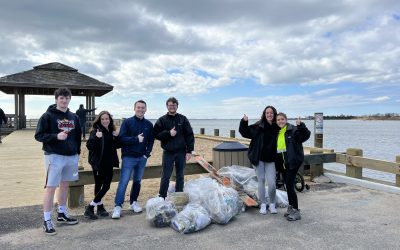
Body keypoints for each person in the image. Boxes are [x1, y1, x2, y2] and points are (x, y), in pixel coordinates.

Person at [34, 88, 81, 235]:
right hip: (54, 155)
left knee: (65, 185)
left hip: (71, 156)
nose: (64, 100)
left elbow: (78, 135)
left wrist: (77, 152)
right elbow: (39, 135)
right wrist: (56, 136)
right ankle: (47, 220)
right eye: (61, 98)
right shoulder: (47, 116)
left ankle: (62, 213)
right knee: (51, 187)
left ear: (69, 99)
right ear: (56, 99)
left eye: (67, 98)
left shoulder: (74, 116)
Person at [112, 100, 154, 219]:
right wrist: (136, 139)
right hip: (128, 157)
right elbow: (122, 139)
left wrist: (147, 154)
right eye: (138, 107)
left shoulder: (148, 125)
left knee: (137, 181)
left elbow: (151, 141)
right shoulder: (127, 122)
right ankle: (118, 206)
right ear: (134, 108)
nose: (140, 109)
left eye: (143, 108)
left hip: (142, 158)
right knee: (124, 181)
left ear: (146, 109)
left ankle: (133, 202)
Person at [239, 106, 279, 215]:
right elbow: (245, 132)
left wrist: (300, 126)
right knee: (261, 180)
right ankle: (263, 204)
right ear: (264, 114)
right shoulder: (258, 126)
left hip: (271, 159)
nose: (269, 115)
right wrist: (244, 122)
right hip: (259, 158)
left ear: (274, 114)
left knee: (272, 183)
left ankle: (272, 204)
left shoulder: (277, 127)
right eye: (267, 113)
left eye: (271, 113)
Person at [154, 97, 195, 199]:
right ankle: (162, 196)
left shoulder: (183, 119)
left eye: (174, 105)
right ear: (167, 106)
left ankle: (179, 196)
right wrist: (168, 133)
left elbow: (189, 135)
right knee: (166, 176)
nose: (172, 107)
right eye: (170, 105)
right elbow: (156, 134)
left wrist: (189, 151)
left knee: (180, 175)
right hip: (168, 152)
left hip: (181, 152)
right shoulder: (162, 120)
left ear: (177, 106)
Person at [84, 111, 120, 219]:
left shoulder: (111, 131)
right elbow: (90, 146)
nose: (105, 121)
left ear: (110, 120)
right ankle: (91, 207)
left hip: (109, 162)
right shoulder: (95, 131)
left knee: (105, 185)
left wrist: (116, 136)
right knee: (100, 185)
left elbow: (117, 146)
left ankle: (98, 207)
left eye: (107, 119)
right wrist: (96, 138)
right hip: (98, 163)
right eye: (103, 119)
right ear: (99, 120)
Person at [275, 112, 310, 221]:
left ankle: (296, 210)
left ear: (286, 120)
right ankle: (291, 207)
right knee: (286, 185)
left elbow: (305, 136)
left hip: (293, 163)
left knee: (290, 186)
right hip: (283, 164)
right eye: (278, 120)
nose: (280, 121)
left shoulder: (293, 130)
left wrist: (301, 125)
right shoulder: (277, 132)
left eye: (282, 119)